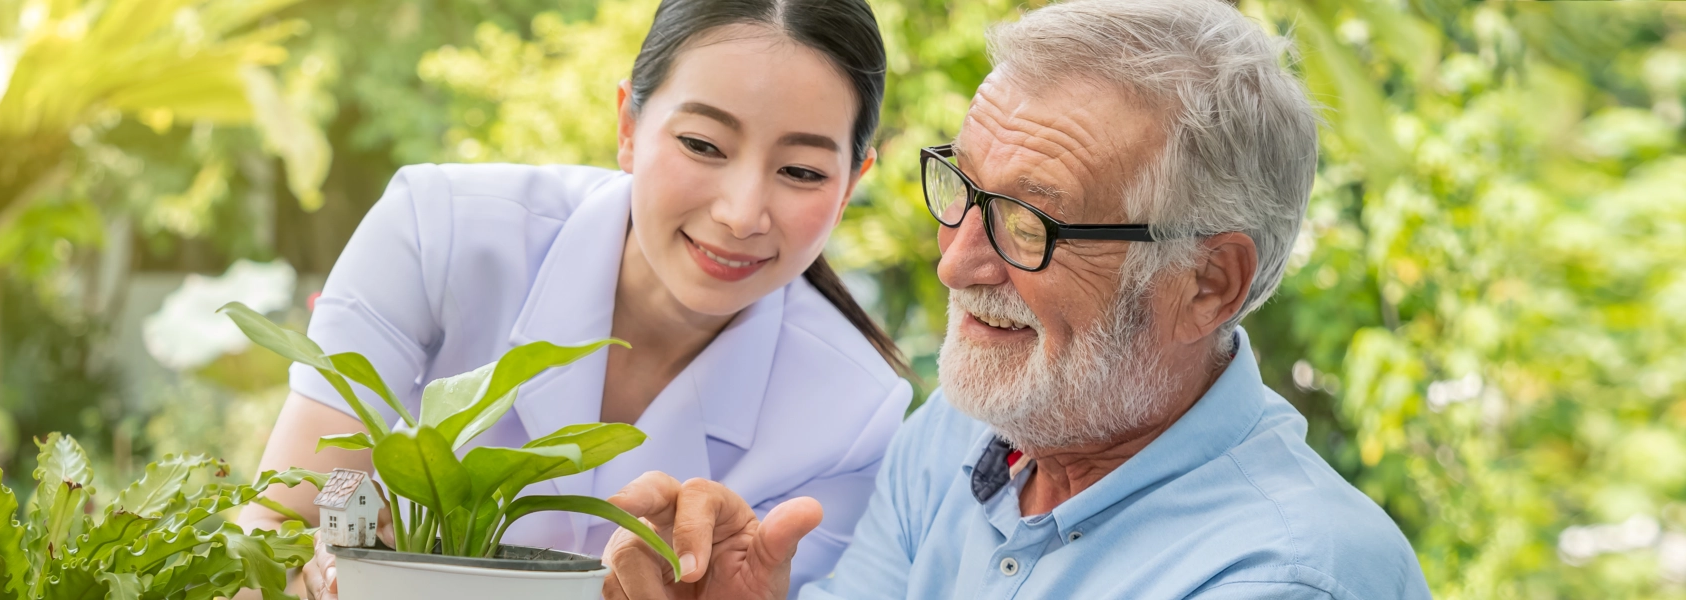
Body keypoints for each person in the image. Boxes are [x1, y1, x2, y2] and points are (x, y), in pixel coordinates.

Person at [598, 0, 1433, 598]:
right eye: (962, 189)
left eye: (1029, 224)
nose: (957, 264)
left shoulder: (1286, 574)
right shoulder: (960, 436)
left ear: (1208, 283)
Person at [232, 0, 915, 597]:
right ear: (628, 126)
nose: (742, 213)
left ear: (852, 183)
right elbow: (276, 530)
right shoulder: (436, 231)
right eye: (703, 144)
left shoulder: (854, 415)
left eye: (800, 171)